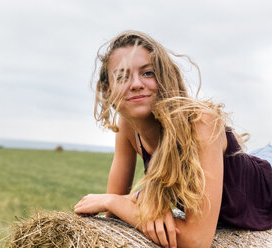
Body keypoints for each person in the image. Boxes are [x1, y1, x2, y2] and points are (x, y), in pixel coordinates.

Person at [74, 31, 272, 248]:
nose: (136, 84)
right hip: (245, 165)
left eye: (148, 73)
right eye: (121, 77)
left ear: (165, 77)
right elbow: (112, 219)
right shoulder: (127, 126)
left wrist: (116, 201)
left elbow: (197, 242)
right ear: (108, 89)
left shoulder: (202, 123)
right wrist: (127, 204)